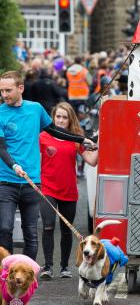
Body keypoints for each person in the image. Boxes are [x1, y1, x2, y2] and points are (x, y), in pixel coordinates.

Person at [0, 71, 96, 260]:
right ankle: (7, 270)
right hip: (6, 180)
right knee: (4, 227)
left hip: (32, 181)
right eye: (1, 90)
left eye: (8, 90)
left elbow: (54, 131)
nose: (4, 95)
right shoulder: (0, 113)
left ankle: (28, 272)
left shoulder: (35, 109)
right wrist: (14, 166)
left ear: (21, 88)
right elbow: (1, 148)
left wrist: (81, 139)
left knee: (30, 233)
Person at [39, 103, 98, 279]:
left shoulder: (76, 139)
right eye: (58, 117)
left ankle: (64, 267)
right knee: (48, 226)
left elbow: (92, 161)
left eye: (65, 117)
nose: (61, 120)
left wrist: (102, 141)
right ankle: (48, 266)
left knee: (66, 230)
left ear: (70, 119)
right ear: (53, 118)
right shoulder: (43, 136)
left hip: (69, 189)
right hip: (48, 187)